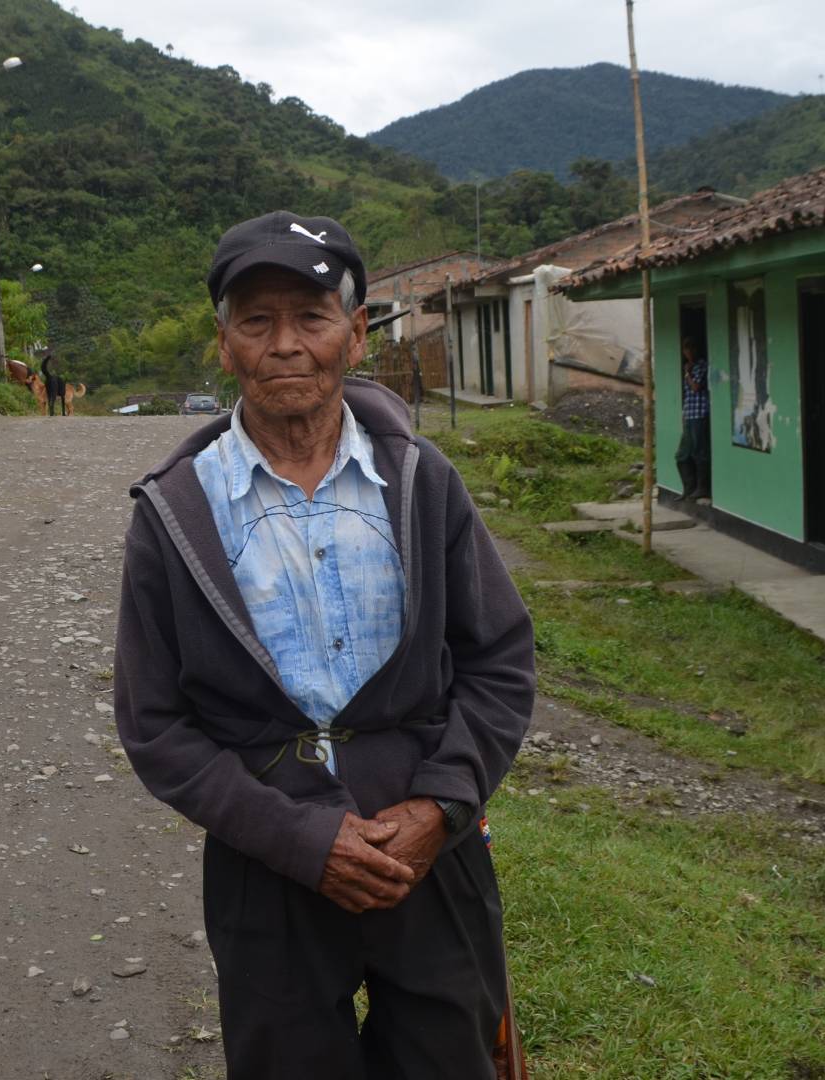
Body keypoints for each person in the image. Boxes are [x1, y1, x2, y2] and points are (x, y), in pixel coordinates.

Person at [113, 210, 535, 1079]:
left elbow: (497, 660)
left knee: (448, 1057)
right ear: (224, 344)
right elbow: (157, 727)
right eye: (256, 322)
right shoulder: (175, 514)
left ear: (354, 333)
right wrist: (302, 841)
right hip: (267, 865)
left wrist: (439, 806)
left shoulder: (422, 483)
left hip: (429, 849)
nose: (285, 345)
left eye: (311, 317)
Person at [677, 335, 712, 501]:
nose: (689, 352)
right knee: (682, 454)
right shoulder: (689, 367)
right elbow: (687, 395)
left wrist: (686, 374)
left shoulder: (701, 366)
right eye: (686, 348)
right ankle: (688, 489)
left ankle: (702, 488)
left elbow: (696, 387)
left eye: (692, 348)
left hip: (700, 414)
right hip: (690, 414)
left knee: (700, 452)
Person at [39, 352, 66, 416]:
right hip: (53, 381)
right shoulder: (62, 384)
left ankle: (51, 413)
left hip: (48, 380)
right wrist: (63, 412)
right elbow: (63, 399)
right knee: (53, 397)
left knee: (49, 396)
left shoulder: (59, 380)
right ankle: (60, 412)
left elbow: (44, 369)